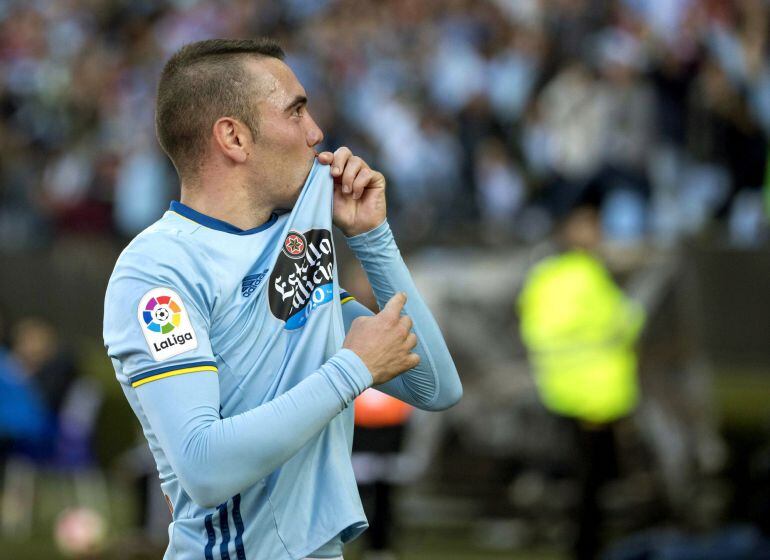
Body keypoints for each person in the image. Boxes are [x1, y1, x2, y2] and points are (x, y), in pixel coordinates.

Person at [102, 38, 462, 560]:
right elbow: (203, 466)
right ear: (234, 137)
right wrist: (352, 369)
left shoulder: (291, 253)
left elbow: (435, 385)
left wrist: (372, 238)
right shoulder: (157, 270)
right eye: (295, 111)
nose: (316, 133)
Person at [517, 206, 644, 560]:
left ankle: (580, 539)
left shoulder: (551, 274)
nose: (599, 234)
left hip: (572, 391)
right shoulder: (579, 274)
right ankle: (585, 545)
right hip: (590, 395)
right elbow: (622, 320)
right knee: (591, 483)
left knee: (588, 481)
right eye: (592, 227)